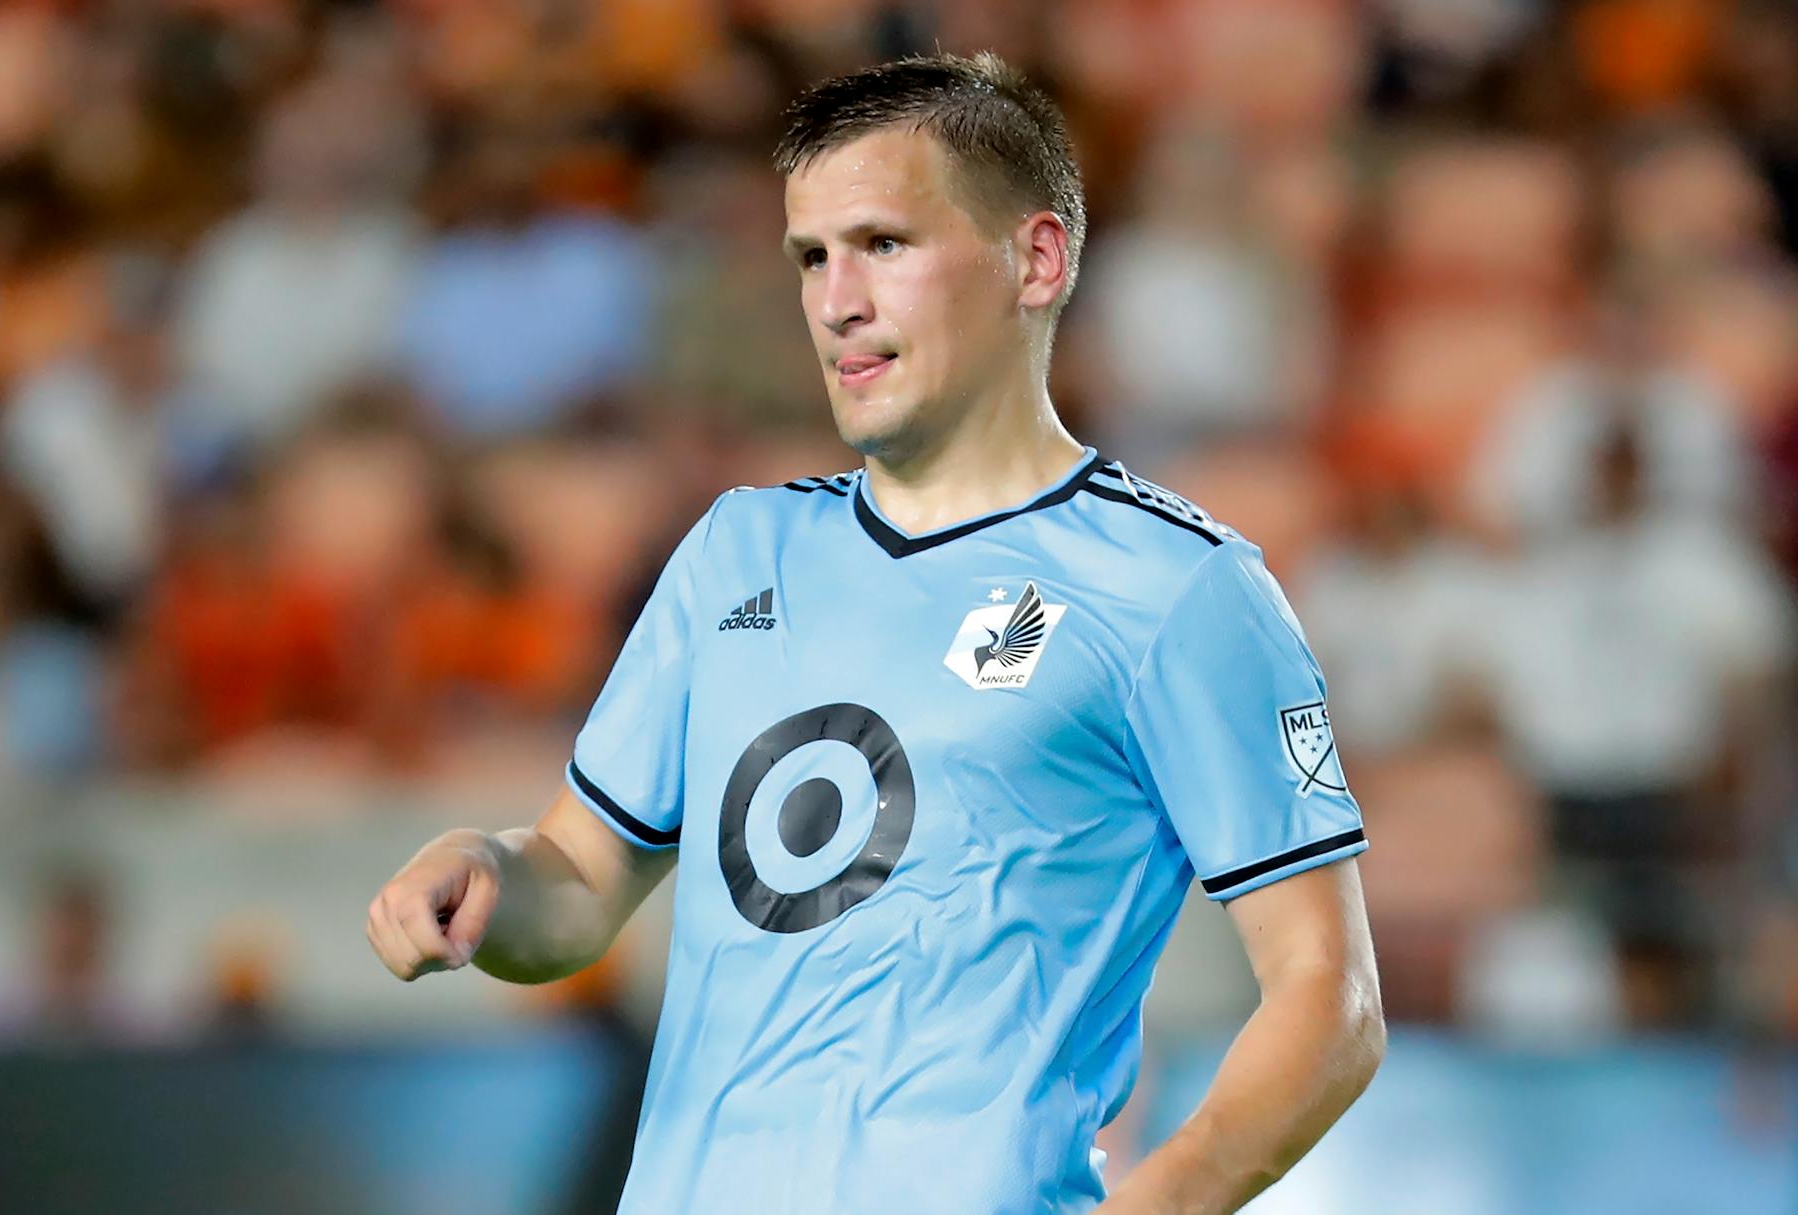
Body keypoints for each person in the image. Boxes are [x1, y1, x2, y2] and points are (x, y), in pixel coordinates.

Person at [366, 53, 1383, 1214]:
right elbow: (578, 887)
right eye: (811, 256)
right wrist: (485, 872)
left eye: (883, 245)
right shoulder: (736, 551)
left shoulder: (1179, 587)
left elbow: (1329, 1000)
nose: (835, 301)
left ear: (1036, 260)